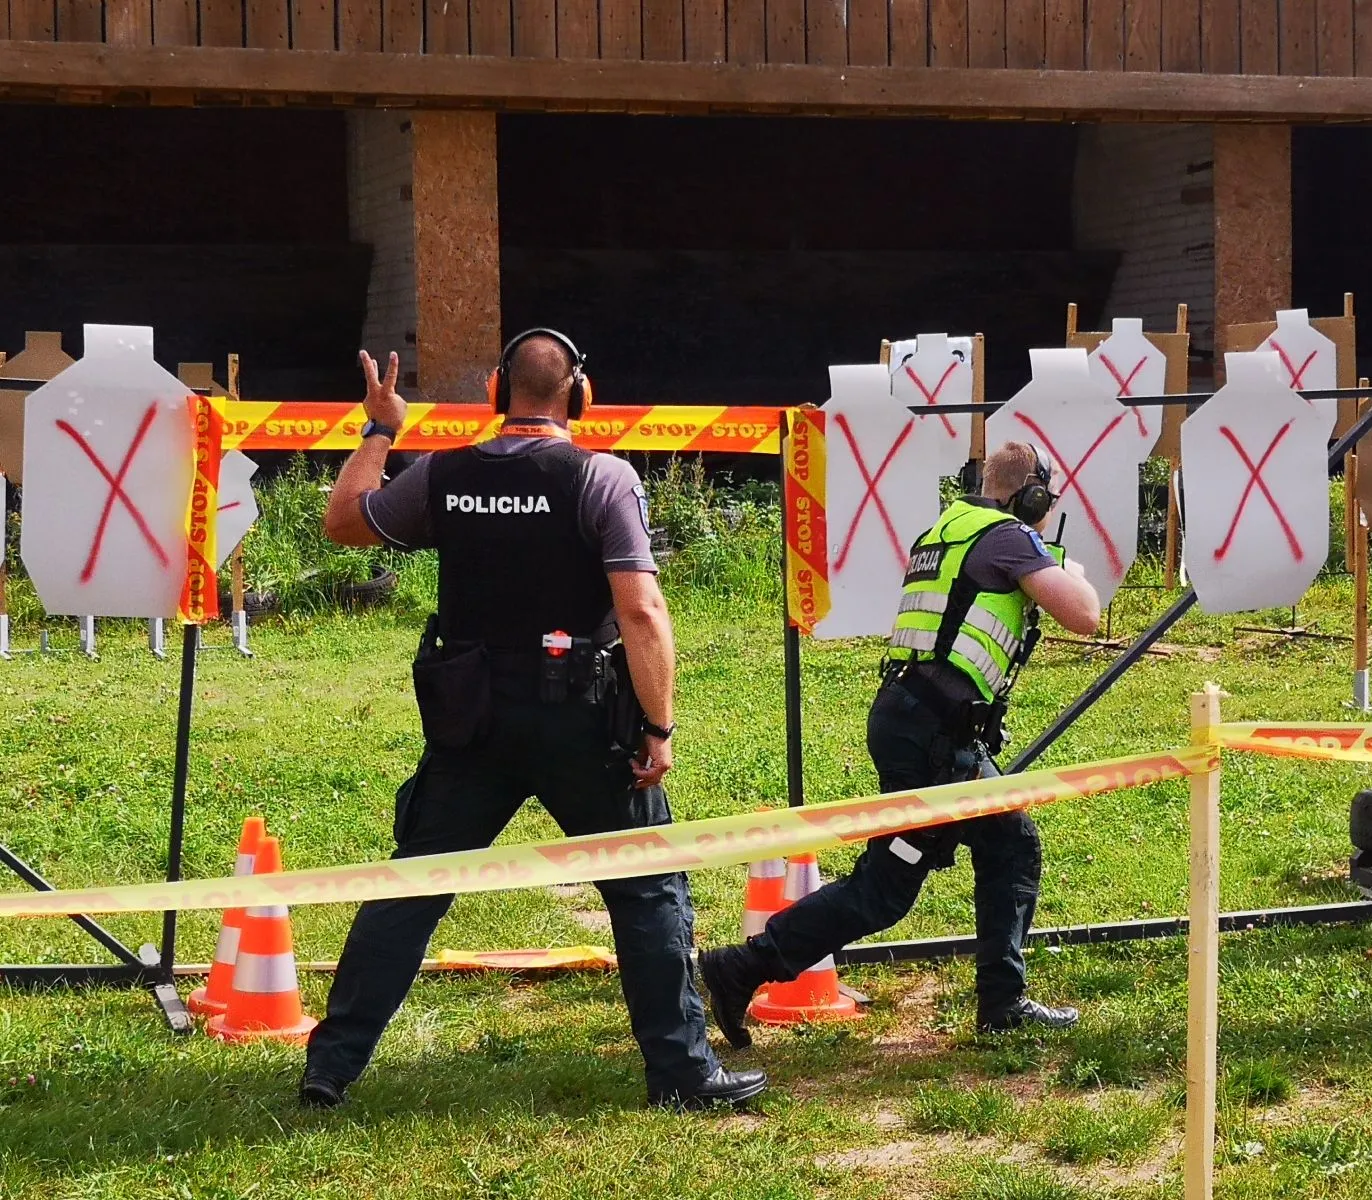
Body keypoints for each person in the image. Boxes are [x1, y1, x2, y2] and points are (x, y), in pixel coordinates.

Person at [300, 331, 765, 1112]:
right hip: (582, 719)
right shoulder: (601, 477)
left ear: (495, 390)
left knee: (413, 886)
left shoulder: (443, 475)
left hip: (472, 719)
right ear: (579, 394)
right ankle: (683, 1075)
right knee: (646, 888)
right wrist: (659, 727)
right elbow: (642, 611)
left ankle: (330, 1068)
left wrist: (381, 427)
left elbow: (344, 521)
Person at [700, 441, 1101, 1046]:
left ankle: (1003, 1003)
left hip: (922, 720)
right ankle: (741, 967)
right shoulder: (1009, 537)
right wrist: (1068, 567)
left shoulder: (949, 529)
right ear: (1031, 495)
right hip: (934, 734)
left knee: (1011, 843)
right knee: (885, 890)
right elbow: (1084, 615)